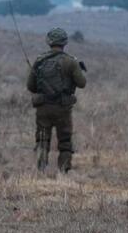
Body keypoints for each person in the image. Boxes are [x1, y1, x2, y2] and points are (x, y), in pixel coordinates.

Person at [26, 28, 86, 171]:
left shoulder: (39, 61)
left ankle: (41, 168)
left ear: (49, 42)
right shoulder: (70, 62)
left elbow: (30, 86)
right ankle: (64, 171)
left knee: (42, 139)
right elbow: (82, 83)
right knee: (65, 140)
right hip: (62, 109)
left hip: (43, 108)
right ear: (65, 43)